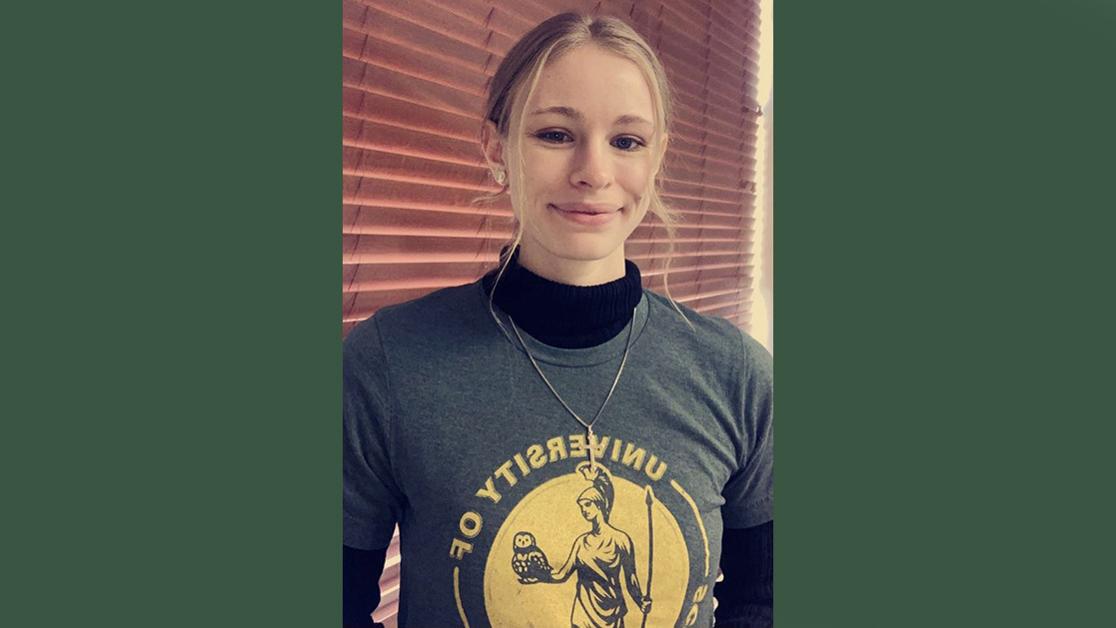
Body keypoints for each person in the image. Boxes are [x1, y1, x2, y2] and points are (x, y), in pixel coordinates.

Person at [343, 12, 772, 628]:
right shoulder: (387, 363)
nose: (593, 172)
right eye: (555, 134)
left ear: (656, 160)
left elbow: (765, 599)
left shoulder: (739, 376)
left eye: (626, 141)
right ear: (497, 149)